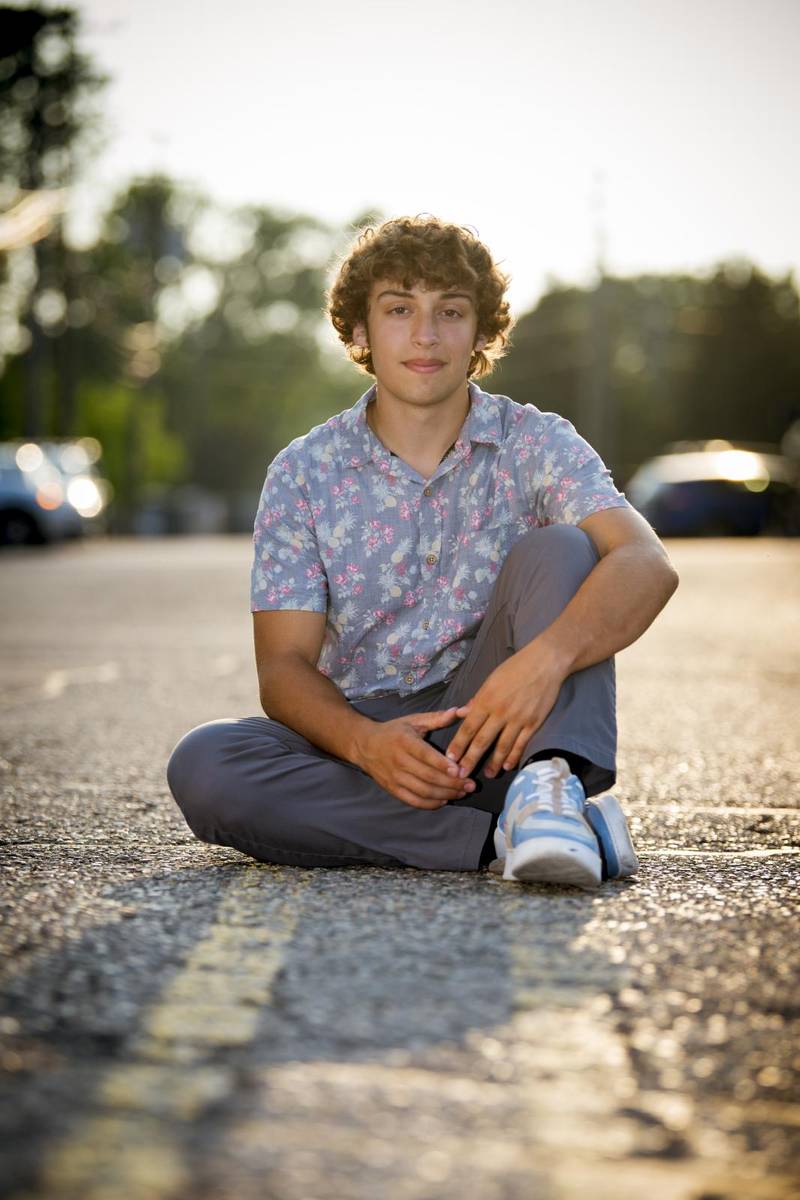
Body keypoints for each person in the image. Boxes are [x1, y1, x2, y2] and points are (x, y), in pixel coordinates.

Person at [167, 215, 679, 889]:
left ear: (481, 334)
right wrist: (364, 744)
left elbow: (647, 564)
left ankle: (548, 787)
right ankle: (502, 837)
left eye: (451, 311)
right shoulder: (303, 472)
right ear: (359, 330)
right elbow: (284, 669)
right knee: (206, 764)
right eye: (399, 309)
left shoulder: (535, 442)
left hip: (499, 725)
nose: (426, 335)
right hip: (360, 738)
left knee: (562, 549)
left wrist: (541, 665)